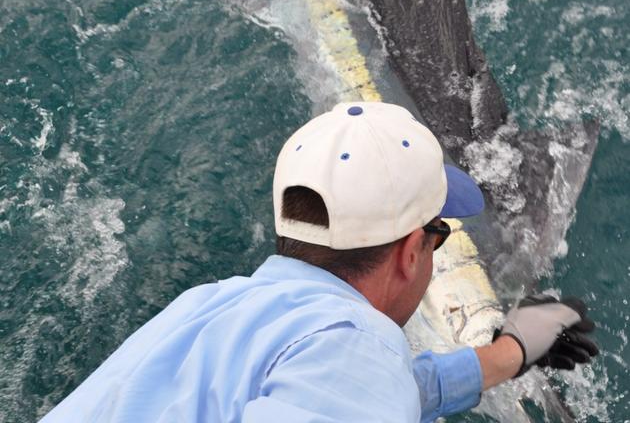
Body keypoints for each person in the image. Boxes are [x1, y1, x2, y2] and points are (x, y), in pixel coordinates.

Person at [41, 101, 598, 422]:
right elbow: (355, 381)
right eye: (438, 235)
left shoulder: (208, 307)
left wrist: (508, 354)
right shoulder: (358, 351)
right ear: (411, 252)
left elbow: (345, 391)